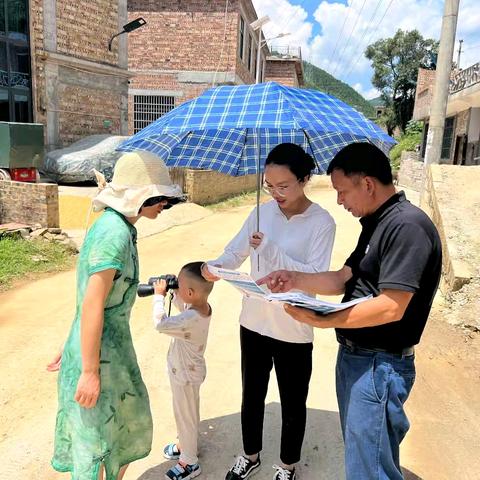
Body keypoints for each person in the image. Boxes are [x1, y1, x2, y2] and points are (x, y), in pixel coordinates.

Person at [259, 142, 442, 480]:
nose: (340, 201)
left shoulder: (407, 227)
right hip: (359, 359)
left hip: (379, 364)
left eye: (343, 191)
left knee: (370, 469)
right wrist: (295, 278)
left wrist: (324, 319)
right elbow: (345, 277)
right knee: (365, 458)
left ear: (368, 184)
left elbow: (391, 306)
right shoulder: (377, 222)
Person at [47, 151, 185, 480]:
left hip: (107, 350)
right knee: (97, 444)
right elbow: (93, 303)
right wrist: (89, 370)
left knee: (118, 432)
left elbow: (90, 298)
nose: (163, 204)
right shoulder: (114, 235)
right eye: (159, 197)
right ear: (138, 197)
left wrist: (73, 342)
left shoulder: (120, 227)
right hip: (101, 358)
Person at [202, 143, 336, 480]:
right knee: (252, 394)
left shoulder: (322, 222)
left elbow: (316, 276)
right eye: (269, 185)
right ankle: (250, 455)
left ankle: (287, 464)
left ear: (305, 178)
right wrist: (214, 267)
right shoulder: (260, 213)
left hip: (293, 325)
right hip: (254, 321)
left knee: (292, 402)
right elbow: (233, 254)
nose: (275, 193)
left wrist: (272, 249)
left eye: (284, 186)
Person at [151, 261, 214, 480]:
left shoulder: (190, 319)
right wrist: (176, 291)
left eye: (180, 284)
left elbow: (160, 323)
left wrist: (159, 296)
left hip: (185, 376)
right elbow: (184, 305)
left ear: (190, 292)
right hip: (189, 373)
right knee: (188, 413)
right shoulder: (200, 308)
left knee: (184, 415)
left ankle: (190, 463)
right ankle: (187, 444)